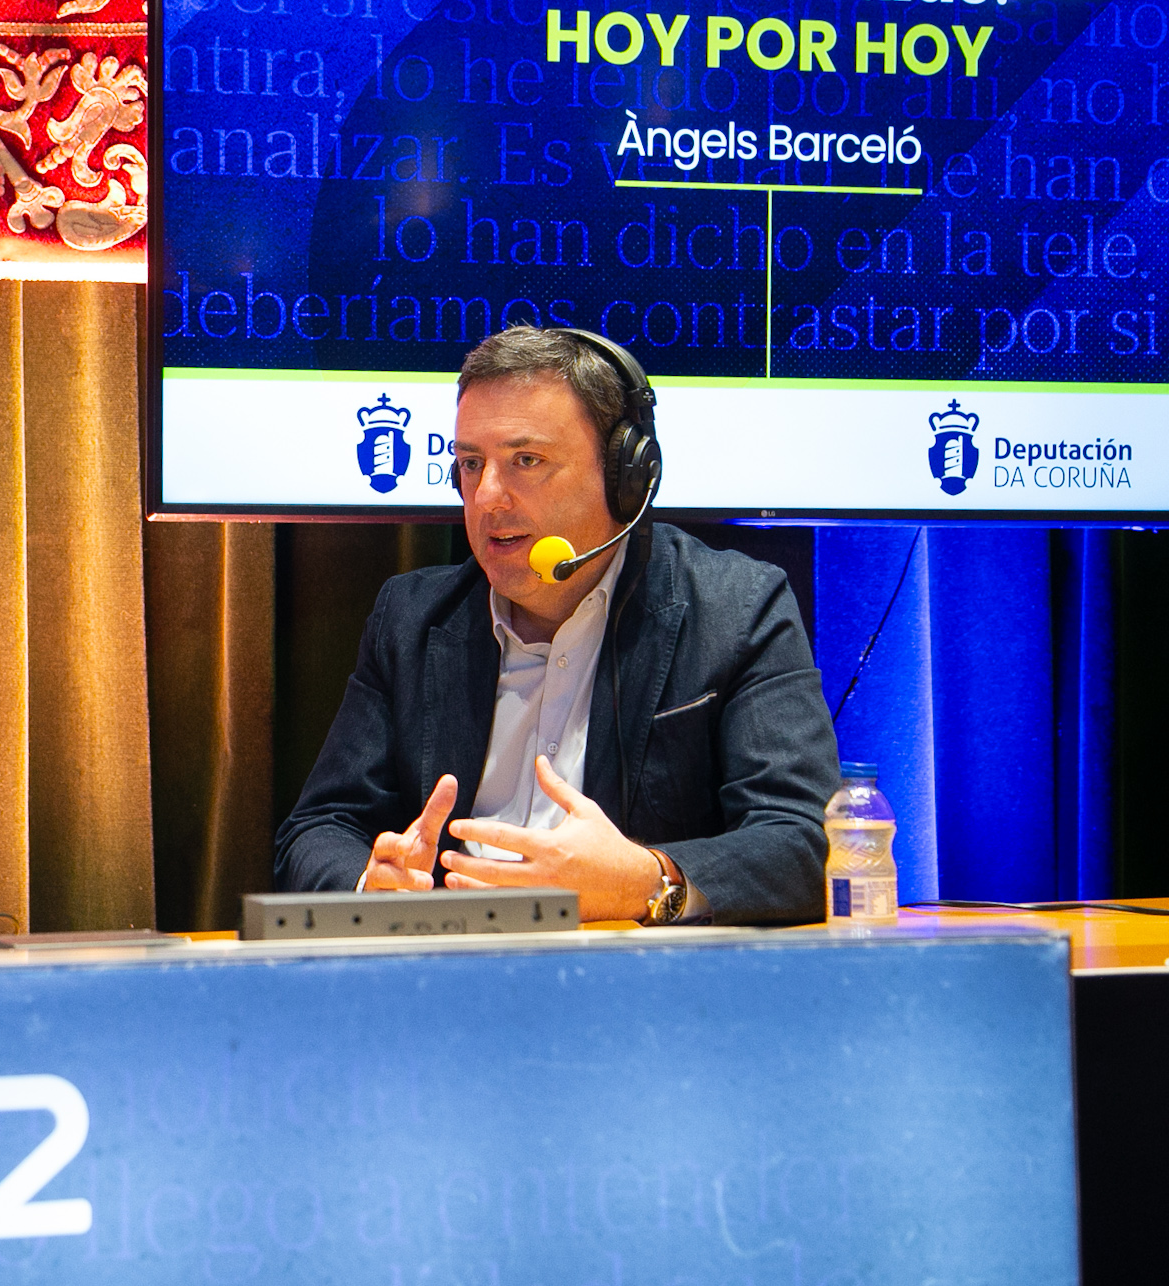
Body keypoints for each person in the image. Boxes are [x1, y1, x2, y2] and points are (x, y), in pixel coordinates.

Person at [275, 327, 838, 924]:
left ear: (625, 477)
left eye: (527, 461)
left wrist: (647, 880)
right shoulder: (412, 617)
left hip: (633, 969)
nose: (487, 497)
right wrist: (375, 885)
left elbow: (803, 841)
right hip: (448, 961)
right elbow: (317, 829)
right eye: (470, 464)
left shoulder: (736, 609)